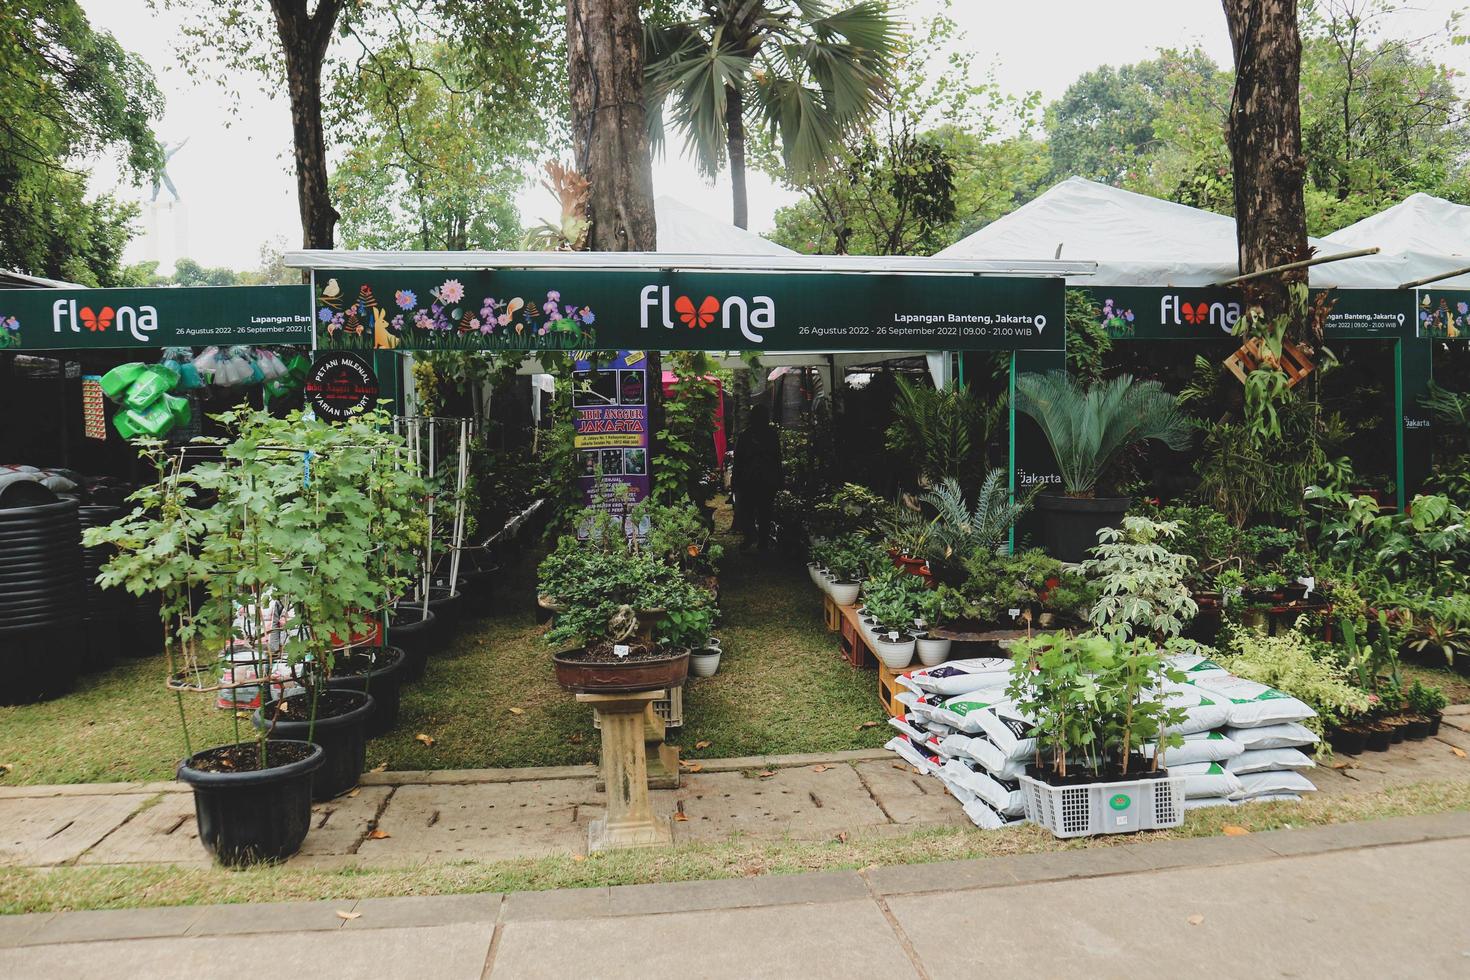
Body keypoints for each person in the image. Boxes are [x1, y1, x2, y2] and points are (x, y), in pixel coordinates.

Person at [732, 403, 782, 550]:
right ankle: (762, 542)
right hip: (765, 480)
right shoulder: (771, 435)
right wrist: (779, 479)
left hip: (749, 480)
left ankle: (752, 538)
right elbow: (777, 459)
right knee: (764, 512)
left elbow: (738, 461)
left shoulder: (745, 436)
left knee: (748, 511)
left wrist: (735, 481)